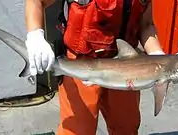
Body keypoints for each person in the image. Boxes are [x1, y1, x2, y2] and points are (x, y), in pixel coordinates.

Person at [25, 0, 165, 134]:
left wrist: (158, 56)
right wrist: (35, 36)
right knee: (78, 130)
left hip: (126, 65)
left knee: (126, 128)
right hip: (81, 63)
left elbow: (146, 25)